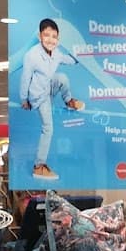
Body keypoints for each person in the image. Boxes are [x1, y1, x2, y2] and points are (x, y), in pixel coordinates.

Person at [20, 17, 84, 181]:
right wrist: (24, 99)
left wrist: (79, 53)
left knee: (62, 77)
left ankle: (69, 101)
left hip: (49, 87)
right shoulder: (31, 55)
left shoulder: (56, 53)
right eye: (47, 35)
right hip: (39, 96)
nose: (50, 40)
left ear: (58, 38)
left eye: (54, 36)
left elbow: (69, 60)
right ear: (40, 36)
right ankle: (39, 166)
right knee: (48, 128)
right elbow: (25, 78)